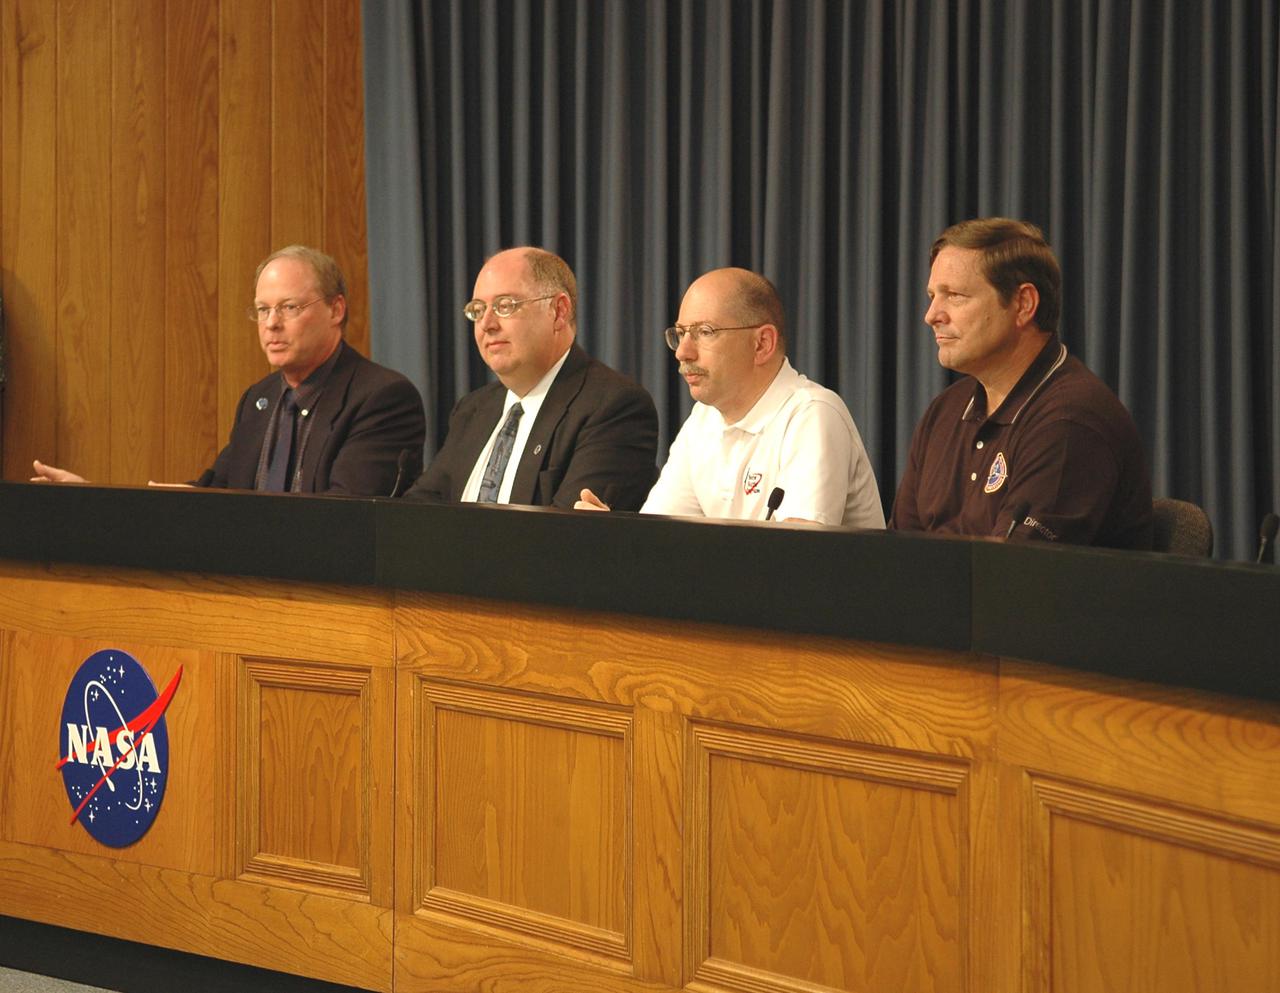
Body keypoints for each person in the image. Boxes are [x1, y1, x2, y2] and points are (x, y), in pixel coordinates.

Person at [32, 245, 426, 496]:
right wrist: (93, 499)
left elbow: (347, 521)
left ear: (336, 309)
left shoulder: (381, 397)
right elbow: (215, 493)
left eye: (289, 307)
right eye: (262, 310)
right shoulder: (261, 398)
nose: (271, 323)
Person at [890, 217, 1152, 547]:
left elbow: (1012, 580)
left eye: (954, 295)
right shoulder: (945, 411)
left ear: (1023, 304)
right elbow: (899, 554)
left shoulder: (1069, 421)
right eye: (932, 295)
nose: (932, 315)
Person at [577, 267, 885, 527]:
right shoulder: (702, 421)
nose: (683, 352)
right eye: (681, 333)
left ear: (762, 343)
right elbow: (663, 545)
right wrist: (616, 540)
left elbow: (796, 564)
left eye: (705, 332)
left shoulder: (812, 416)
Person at [402, 247, 658, 509]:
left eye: (505, 306)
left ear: (559, 311)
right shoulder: (473, 409)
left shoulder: (612, 407)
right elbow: (418, 509)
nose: (486, 324)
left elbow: (568, 535)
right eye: (478, 310)